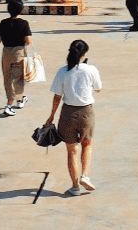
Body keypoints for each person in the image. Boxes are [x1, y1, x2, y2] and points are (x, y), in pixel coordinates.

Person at [45, 39, 102, 196]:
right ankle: (85, 176)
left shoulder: (63, 71)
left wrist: (51, 117)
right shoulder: (91, 70)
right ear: (84, 54)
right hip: (86, 113)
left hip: (67, 114)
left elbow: (57, 97)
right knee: (87, 144)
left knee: (71, 151)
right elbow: (98, 89)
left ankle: (75, 186)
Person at [0, 0, 32, 116]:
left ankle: (20, 99)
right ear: (21, 10)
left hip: (6, 53)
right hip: (19, 53)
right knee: (17, 78)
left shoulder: (3, 23)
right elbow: (28, 41)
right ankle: (9, 105)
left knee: (7, 78)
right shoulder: (24, 23)